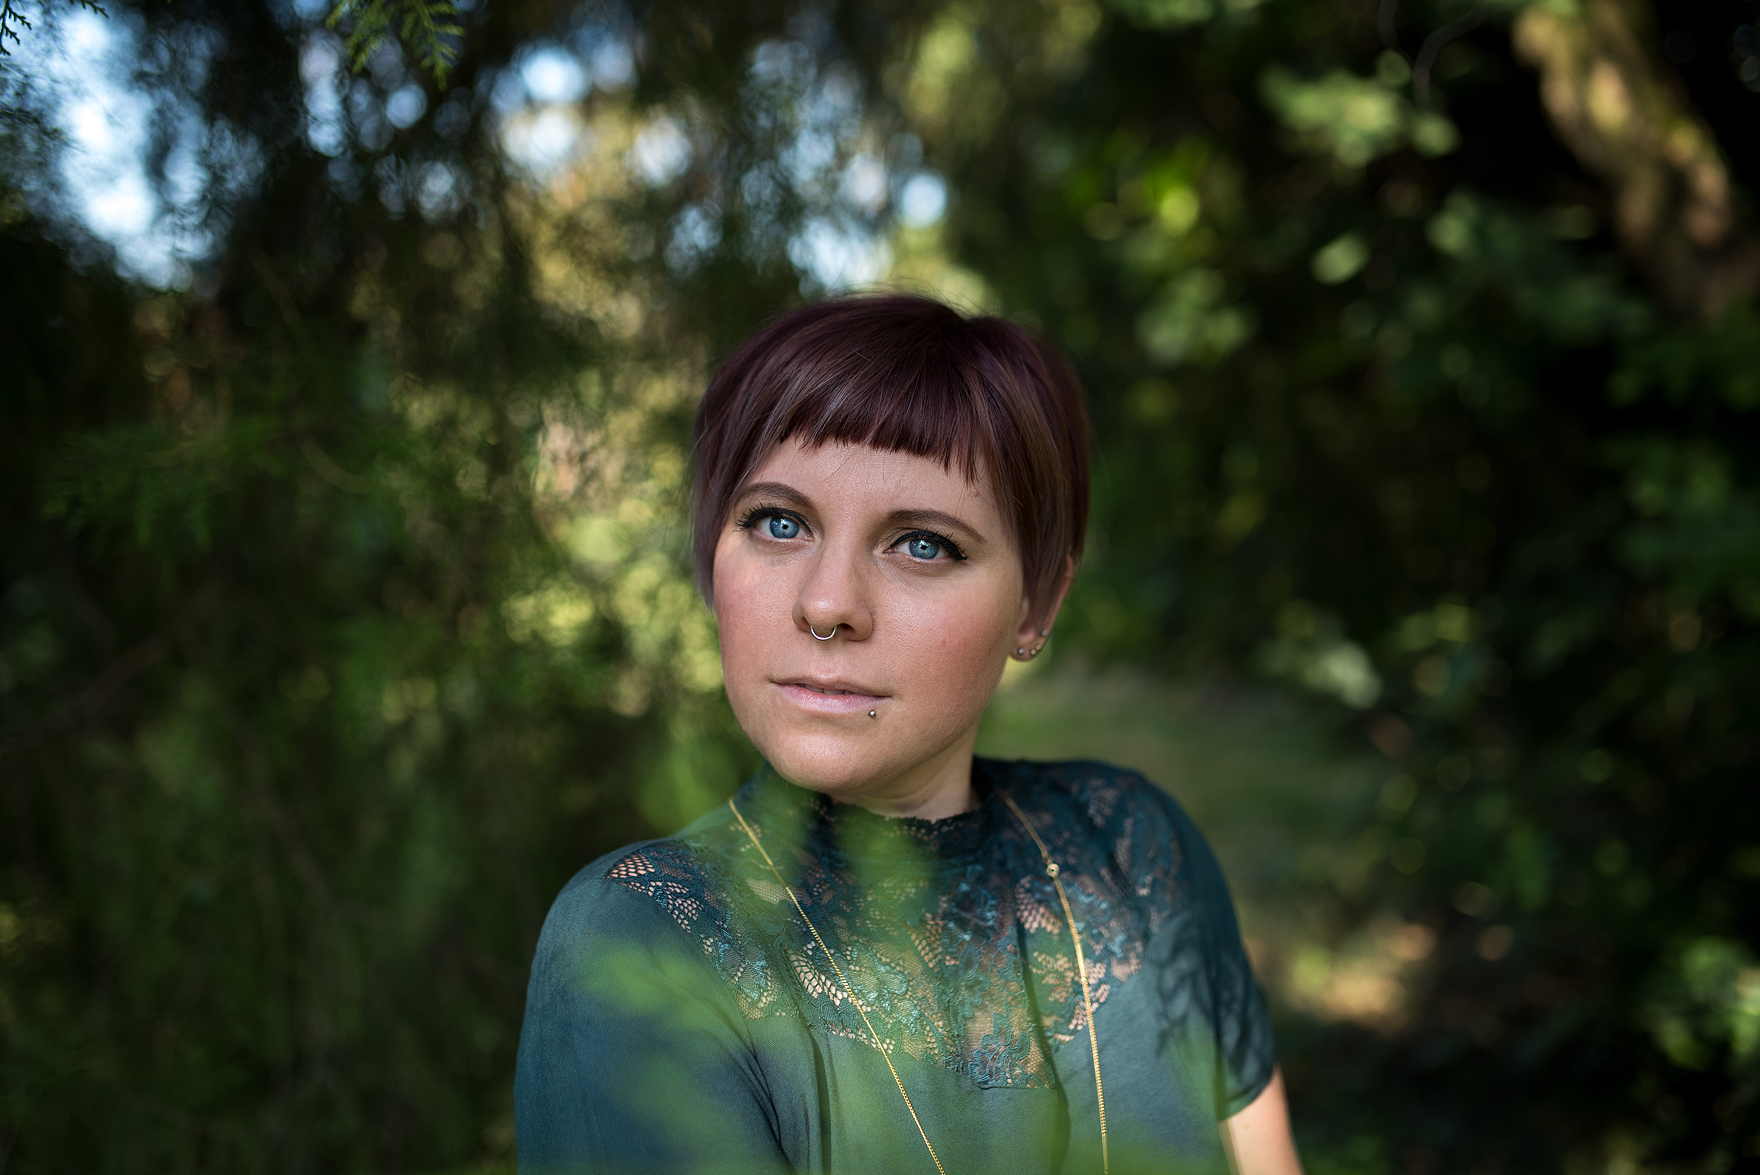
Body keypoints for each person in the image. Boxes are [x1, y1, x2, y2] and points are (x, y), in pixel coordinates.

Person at [515, 294, 1303, 1175]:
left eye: (922, 544)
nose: (827, 604)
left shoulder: (1135, 850)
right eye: (779, 522)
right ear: (710, 555)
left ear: (1037, 602)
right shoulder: (642, 940)